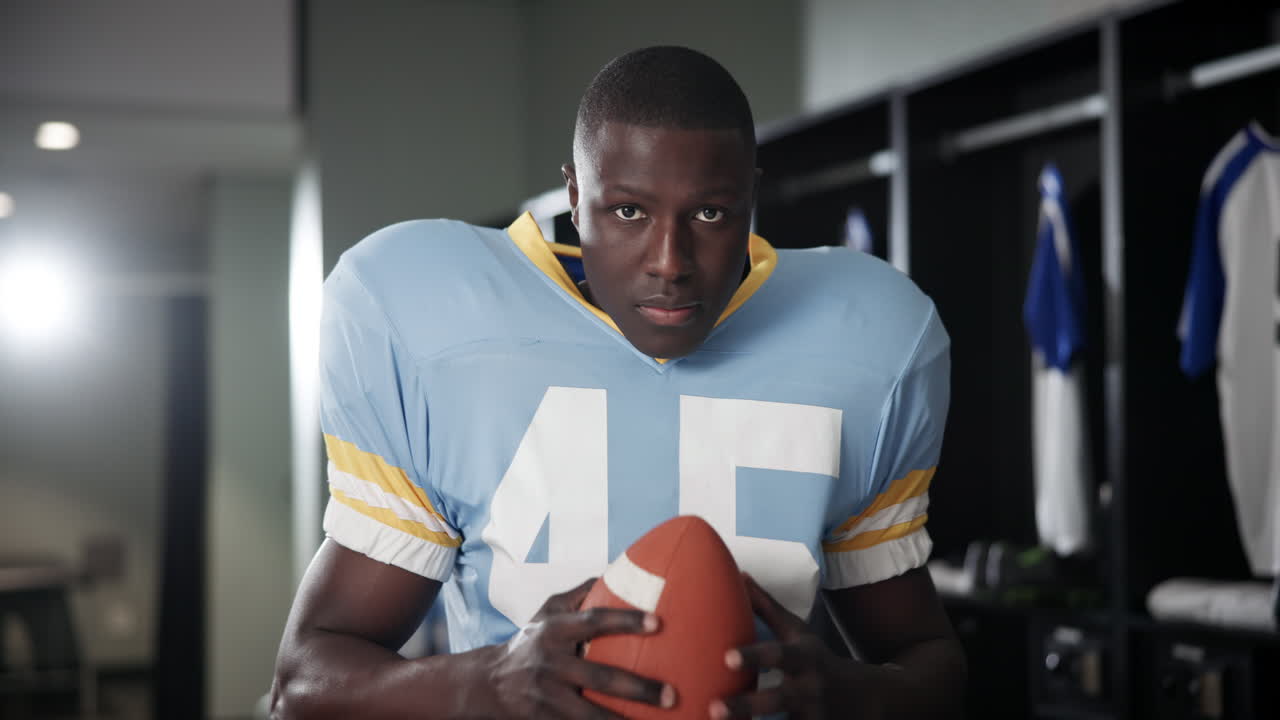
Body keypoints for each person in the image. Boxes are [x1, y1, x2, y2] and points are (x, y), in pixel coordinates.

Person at [270, 46, 965, 719]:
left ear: (751, 198)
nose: (670, 262)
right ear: (576, 196)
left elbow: (933, 666)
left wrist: (853, 694)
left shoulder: (865, 347)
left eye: (710, 213)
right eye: (629, 210)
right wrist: (487, 683)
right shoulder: (435, 330)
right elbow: (303, 685)